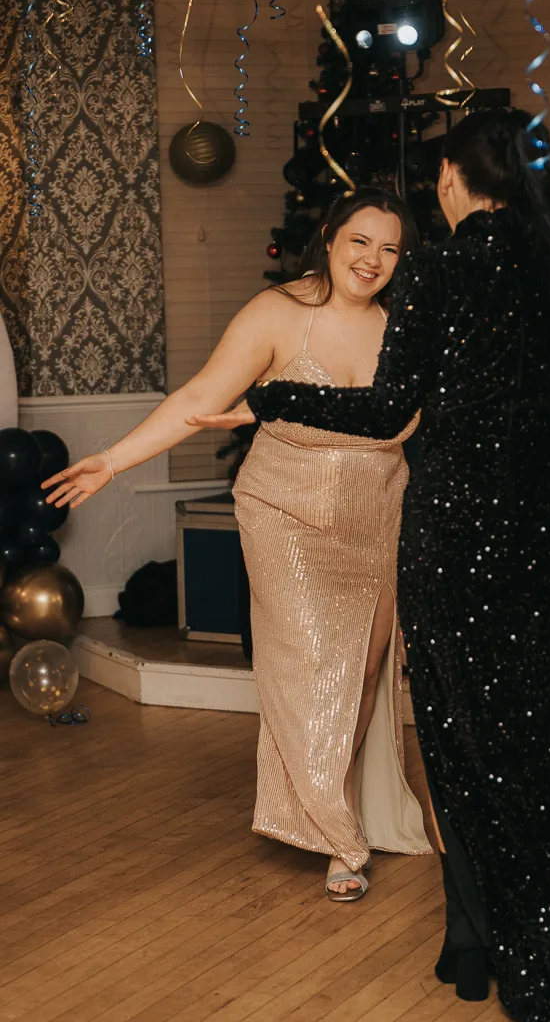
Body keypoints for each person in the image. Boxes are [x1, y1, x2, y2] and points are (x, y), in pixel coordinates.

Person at [222, 110, 550, 1020]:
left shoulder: (439, 269)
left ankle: (485, 942)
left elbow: (386, 410)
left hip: (459, 541)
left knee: (467, 748)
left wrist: (272, 395)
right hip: (549, 538)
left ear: (453, 180)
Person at [42, 189, 432, 902]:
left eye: (389, 248)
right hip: (285, 516)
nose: (372, 260)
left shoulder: (404, 326)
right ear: (329, 237)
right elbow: (199, 397)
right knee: (307, 670)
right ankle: (338, 839)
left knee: (364, 676)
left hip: (379, 519)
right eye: (359, 241)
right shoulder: (278, 314)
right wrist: (113, 461)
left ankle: (341, 803)